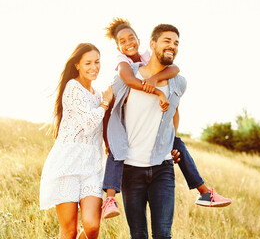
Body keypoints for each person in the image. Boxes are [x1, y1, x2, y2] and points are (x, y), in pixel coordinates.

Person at [100, 18, 232, 220]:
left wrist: (154, 79)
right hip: (127, 144)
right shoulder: (124, 63)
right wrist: (157, 92)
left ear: (140, 39)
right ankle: (109, 198)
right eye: (123, 41)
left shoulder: (147, 59)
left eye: (131, 38)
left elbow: (174, 69)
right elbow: (128, 80)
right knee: (116, 152)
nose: (128, 44)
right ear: (118, 46)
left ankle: (204, 191)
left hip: (160, 154)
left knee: (178, 144)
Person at [39, 43, 113, 239]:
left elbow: (102, 127)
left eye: (97, 62)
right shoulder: (73, 88)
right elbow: (89, 122)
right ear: (77, 65)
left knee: (92, 227)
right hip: (67, 166)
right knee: (69, 231)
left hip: (91, 167)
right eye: (88, 63)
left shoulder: (98, 94)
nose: (94, 67)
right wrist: (105, 103)